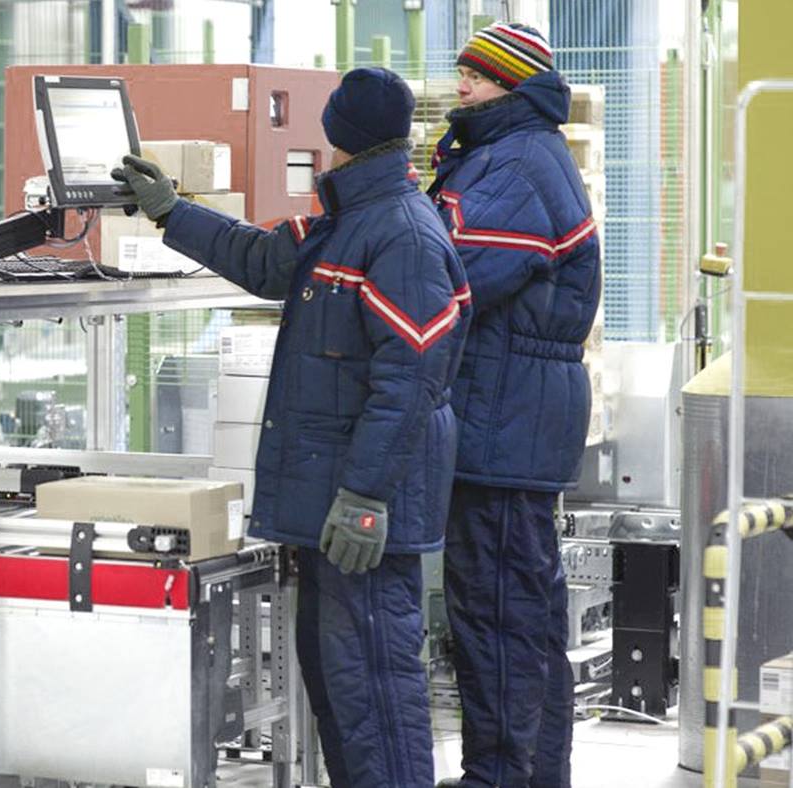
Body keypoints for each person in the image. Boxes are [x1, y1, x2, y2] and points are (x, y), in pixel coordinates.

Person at [115, 67, 470, 788]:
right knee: (340, 682)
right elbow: (266, 259)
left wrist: (367, 497)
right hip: (333, 502)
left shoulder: (398, 234)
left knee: (374, 684)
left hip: (363, 509)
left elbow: (410, 381)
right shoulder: (349, 218)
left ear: (339, 134)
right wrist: (170, 210)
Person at [426, 22, 601, 788]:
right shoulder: (505, 153)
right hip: (513, 413)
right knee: (523, 620)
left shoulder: (518, 163)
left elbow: (450, 275)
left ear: (513, 84)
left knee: (497, 619)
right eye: (462, 71)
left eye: (478, 76)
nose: (461, 85)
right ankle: (535, 776)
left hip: (505, 419)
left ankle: (499, 778)